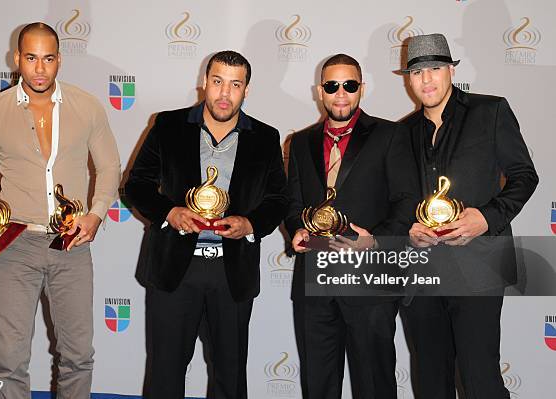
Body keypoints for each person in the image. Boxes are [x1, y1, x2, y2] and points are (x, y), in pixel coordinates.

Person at [0, 22, 121, 399]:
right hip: (14, 244)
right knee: (8, 360)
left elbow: (110, 167)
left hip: (71, 244)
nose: (39, 69)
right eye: (31, 58)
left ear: (59, 61)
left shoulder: (87, 107)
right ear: (16, 59)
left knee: (78, 356)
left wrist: (96, 214)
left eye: (47, 59)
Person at [124, 50, 287, 399]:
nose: (224, 93)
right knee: (165, 374)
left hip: (231, 273)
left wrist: (250, 223)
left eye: (235, 84)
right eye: (217, 82)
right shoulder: (168, 125)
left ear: (247, 90)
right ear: (204, 82)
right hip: (174, 270)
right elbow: (136, 184)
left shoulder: (266, 137)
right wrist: (169, 212)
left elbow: (278, 200)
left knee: (230, 376)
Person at [400, 33, 538, 399]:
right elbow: (399, 200)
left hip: (480, 266)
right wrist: (408, 229)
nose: (426, 79)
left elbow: (525, 176)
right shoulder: (402, 133)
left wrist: (487, 218)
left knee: (480, 380)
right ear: (407, 79)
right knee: (430, 381)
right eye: (417, 72)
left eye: (434, 68)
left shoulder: (490, 111)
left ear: (450, 70)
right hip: (422, 271)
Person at [285, 54, 419, 399]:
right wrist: (297, 229)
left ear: (362, 88)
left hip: (370, 280)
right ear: (320, 91)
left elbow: (407, 201)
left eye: (349, 85)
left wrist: (376, 241)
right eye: (332, 86)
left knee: (374, 384)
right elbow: (293, 203)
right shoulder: (300, 141)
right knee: (318, 383)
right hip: (315, 281)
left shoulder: (391, 134)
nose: (340, 93)